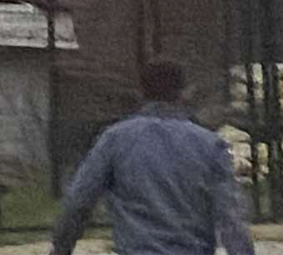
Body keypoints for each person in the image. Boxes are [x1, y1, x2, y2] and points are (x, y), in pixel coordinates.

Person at [50, 60, 256, 255]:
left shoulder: (114, 139)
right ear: (183, 93)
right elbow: (230, 217)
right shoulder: (210, 145)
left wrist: (61, 249)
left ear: (142, 92)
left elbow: (79, 202)